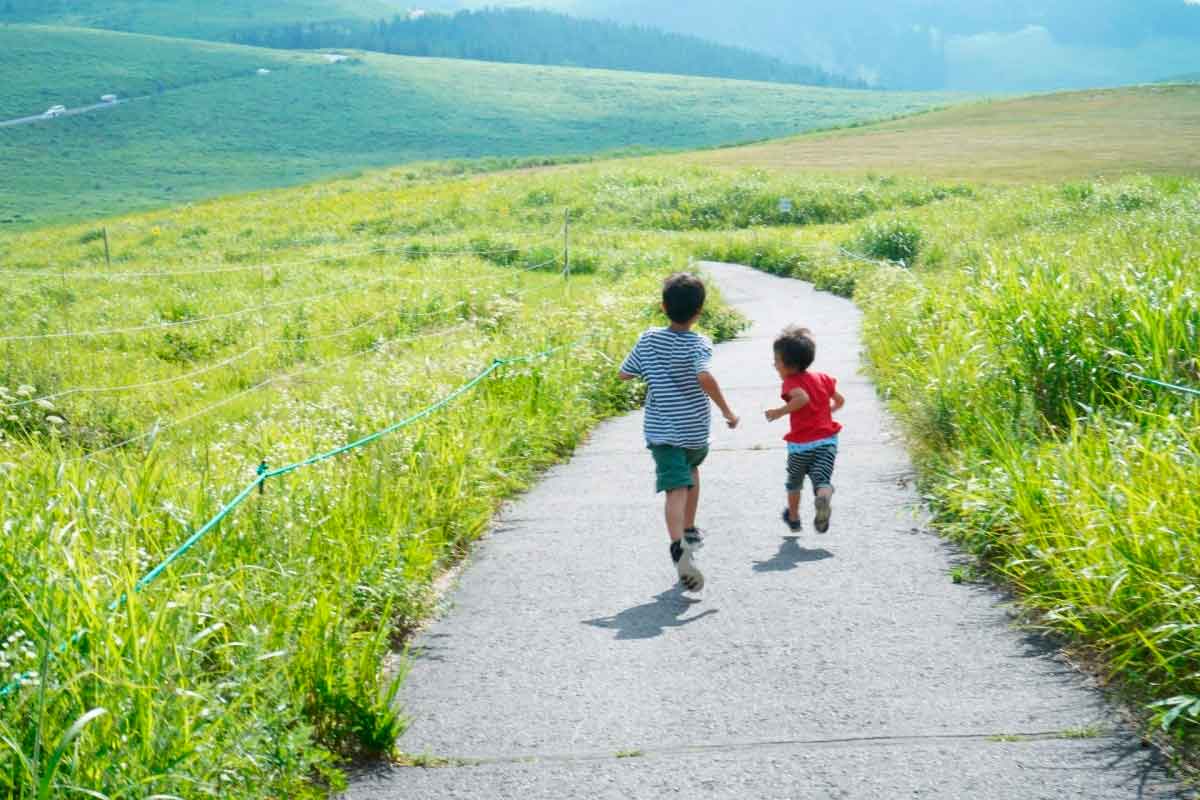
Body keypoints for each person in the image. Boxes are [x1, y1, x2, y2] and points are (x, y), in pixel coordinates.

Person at [619, 273, 739, 591]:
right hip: (695, 430)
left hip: (662, 431)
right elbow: (704, 375)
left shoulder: (647, 339)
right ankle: (688, 529)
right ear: (699, 312)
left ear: (663, 306)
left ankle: (678, 547)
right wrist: (727, 410)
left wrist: (643, 371)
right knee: (692, 472)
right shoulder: (700, 343)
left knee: (675, 488)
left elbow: (624, 373)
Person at [764, 326, 844, 533]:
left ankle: (793, 517)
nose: (774, 364)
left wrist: (780, 412)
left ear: (788, 365)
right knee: (822, 480)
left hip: (800, 446)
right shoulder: (823, 378)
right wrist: (828, 411)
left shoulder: (790, 382)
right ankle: (823, 498)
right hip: (826, 442)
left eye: (777, 361)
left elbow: (802, 398)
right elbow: (840, 400)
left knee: (794, 483)